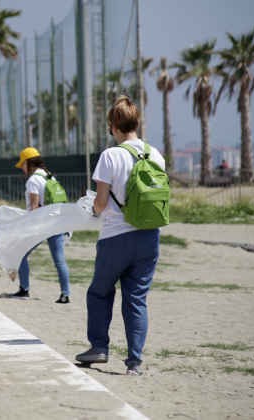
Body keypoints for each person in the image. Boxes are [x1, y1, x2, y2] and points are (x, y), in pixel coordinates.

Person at [75, 96, 165, 376]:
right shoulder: (156, 154)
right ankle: (134, 363)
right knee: (136, 298)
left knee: (100, 292)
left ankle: (99, 347)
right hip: (149, 237)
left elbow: (101, 203)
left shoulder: (110, 156)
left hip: (116, 236)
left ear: (114, 126)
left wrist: (92, 207)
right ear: (137, 123)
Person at [11, 147, 71, 304]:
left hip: (41, 225)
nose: (22, 168)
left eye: (22, 165)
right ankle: (65, 294)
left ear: (28, 163)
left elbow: (34, 207)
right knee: (59, 260)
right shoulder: (49, 176)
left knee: (21, 253)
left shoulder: (32, 181)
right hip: (57, 223)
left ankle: (24, 289)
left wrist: (26, 226)